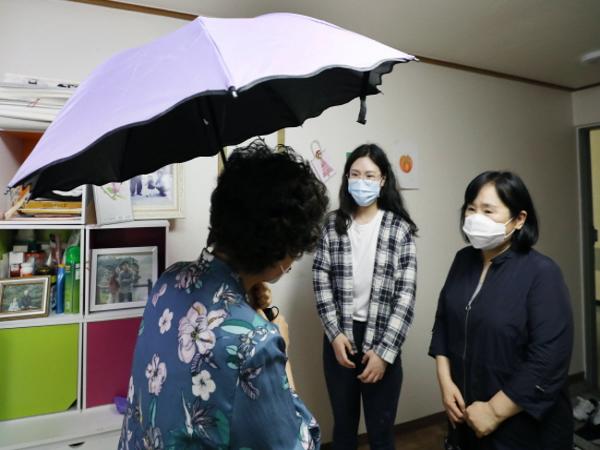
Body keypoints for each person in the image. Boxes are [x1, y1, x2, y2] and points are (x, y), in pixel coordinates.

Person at [119, 139, 328, 450]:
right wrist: (281, 348)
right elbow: (297, 444)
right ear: (283, 252)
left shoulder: (168, 280)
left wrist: (243, 302)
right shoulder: (256, 342)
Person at [428, 171, 573, 450]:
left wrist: (494, 411)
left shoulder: (542, 273)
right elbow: (443, 323)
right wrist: (446, 384)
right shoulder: (462, 260)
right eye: (471, 209)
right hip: (467, 417)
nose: (476, 218)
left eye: (488, 211)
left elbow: (549, 359)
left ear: (519, 219)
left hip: (522, 429)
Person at [313, 143, 417, 450]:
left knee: (381, 433)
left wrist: (384, 353)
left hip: (383, 339)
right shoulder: (333, 224)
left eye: (370, 175)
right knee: (343, 429)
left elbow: (405, 295)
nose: (362, 181)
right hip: (340, 339)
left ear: (383, 180)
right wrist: (334, 334)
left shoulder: (399, 229)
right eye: (355, 174)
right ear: (347, 178)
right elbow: (320, 280)